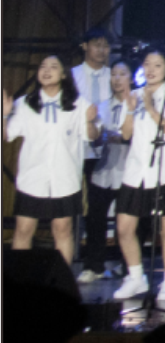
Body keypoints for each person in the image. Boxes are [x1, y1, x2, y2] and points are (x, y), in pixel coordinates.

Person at [4, 53, 99, 272]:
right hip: (32, 178)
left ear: (64, 74)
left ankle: (61, 281)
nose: (46, 71)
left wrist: (90, 121)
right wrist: (4, 116)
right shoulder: (25, 103)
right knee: (23, 229)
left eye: (53, 67)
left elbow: (92, 136)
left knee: (62, 229)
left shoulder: (77, 103)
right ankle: (21, 280)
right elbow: (7, 135)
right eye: (43, 67)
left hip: (65, 179)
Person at [112, 47, 165, 300]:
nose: (151, 70)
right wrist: (131, 109)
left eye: (157, 65)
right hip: (136, 170)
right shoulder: (134, 94)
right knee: (124, 227)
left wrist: (151, 109)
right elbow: (125, 134)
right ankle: (136, 278)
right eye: (147, 64)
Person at [83, 58, 134, 280]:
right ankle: (93, 267)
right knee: (95, 219)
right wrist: (96, 134)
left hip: (129, 171)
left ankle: (129, 267)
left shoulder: (137, 105)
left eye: (122, 74)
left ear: (131, 78)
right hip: (103, 169)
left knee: (128, 224)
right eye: (113, 74)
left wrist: (118, 136)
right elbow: (94, 138)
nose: (117, 79)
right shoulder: (102, 106)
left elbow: (135, 136)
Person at [71, 29, 114, 283]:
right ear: (85, 46)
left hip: (107, 149)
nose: (102, 50)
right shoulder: (72, 75)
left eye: (106, 46)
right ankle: (71, 261)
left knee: (99, 209)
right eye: (97, 44)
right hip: (78, 149)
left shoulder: (114, 75)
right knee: (74, 208)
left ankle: (95, 264)